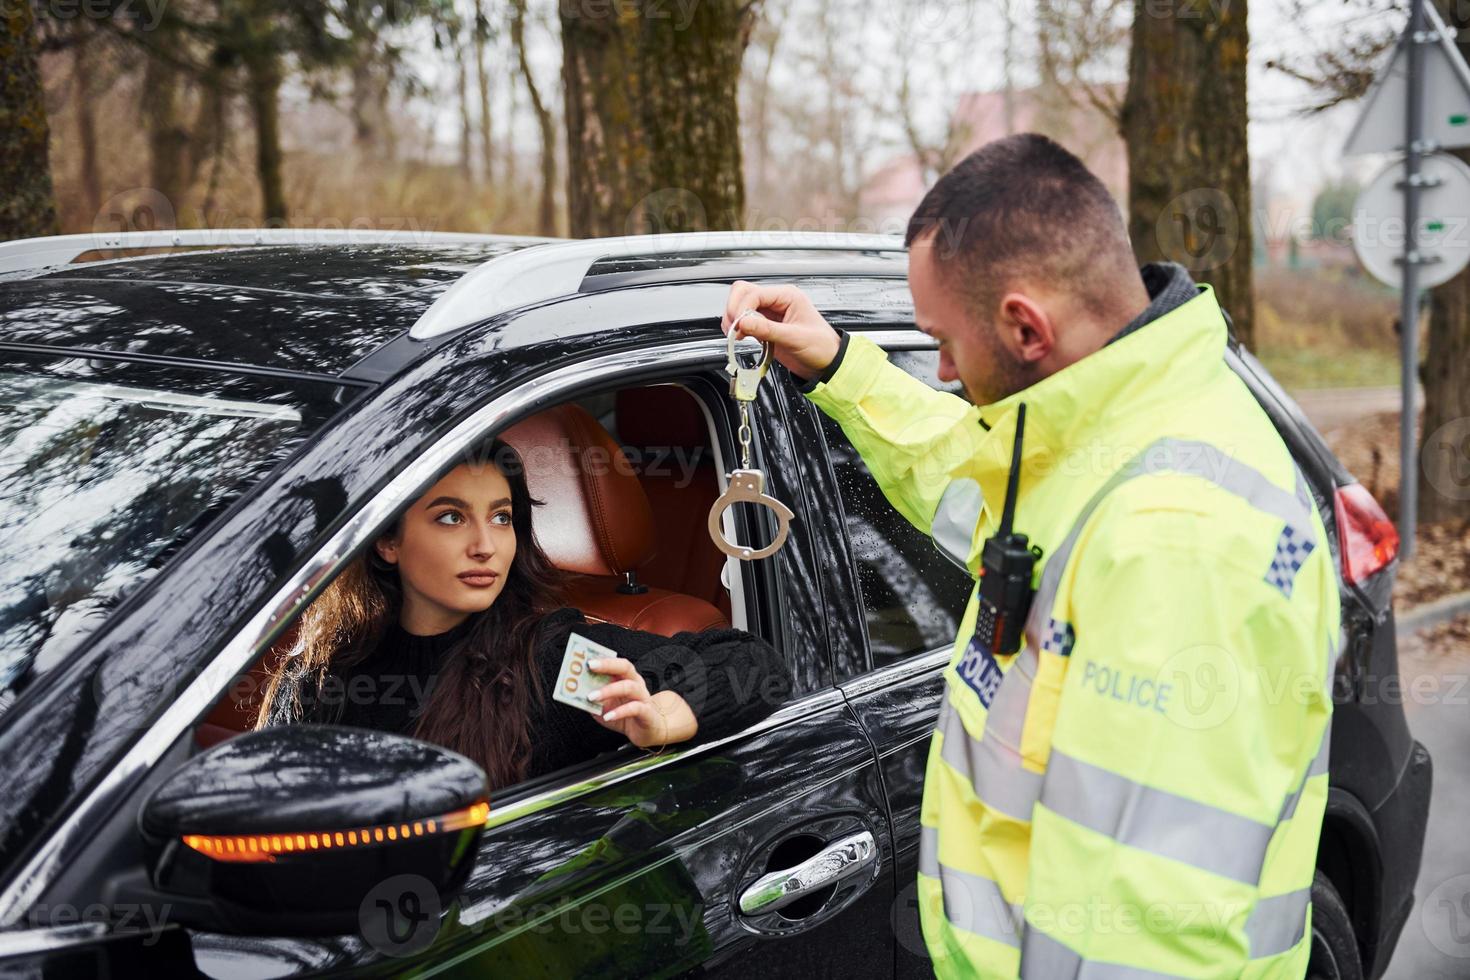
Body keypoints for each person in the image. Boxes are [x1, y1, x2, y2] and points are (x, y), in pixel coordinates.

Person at [721, 134, 1339, 978]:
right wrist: (841, 369)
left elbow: (1151, 941)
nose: (937, 367)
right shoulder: (1097, 438)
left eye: (941, 340)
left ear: (1024, 326)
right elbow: (967, 479)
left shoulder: (1177, 545)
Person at [257, 436, 788, 791]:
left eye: (502, 518)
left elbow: (750, 665)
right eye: (450, 518)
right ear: (387, 542)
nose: (486, 545)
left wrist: (663, 716)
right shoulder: (322, 673)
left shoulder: (551, 660)